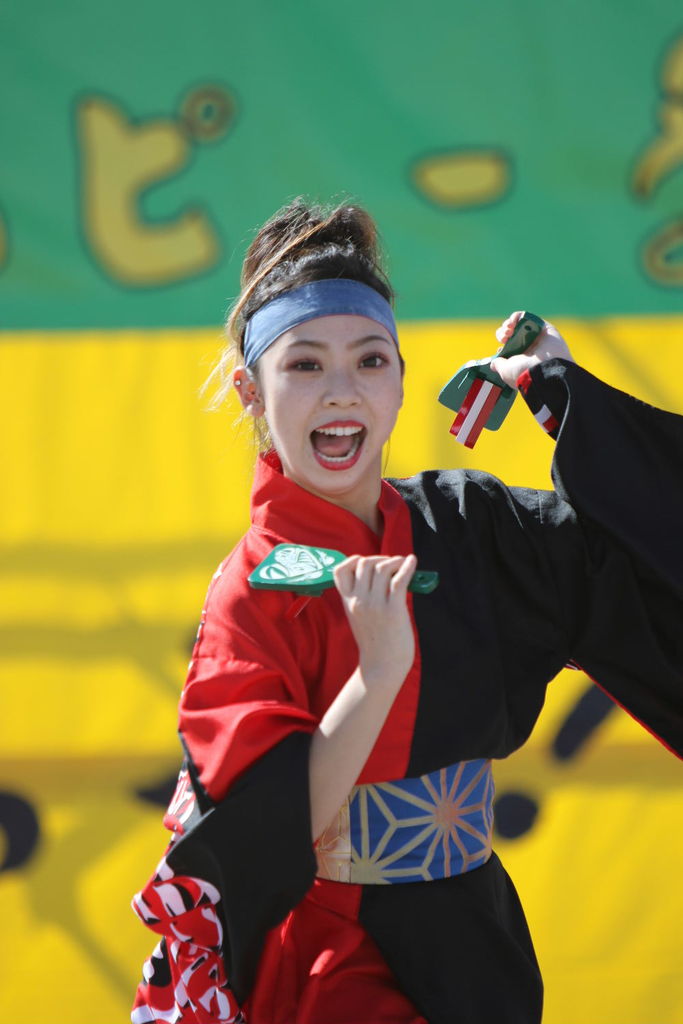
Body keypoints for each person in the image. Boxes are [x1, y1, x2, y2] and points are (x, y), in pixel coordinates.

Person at [131, 199, 683, 1024]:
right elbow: (259, 833)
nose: (341, 392)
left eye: (369, 360)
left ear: (398, 380)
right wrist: (377, 673)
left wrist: (574, 405)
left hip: (477, 947)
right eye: (304, 365)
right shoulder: (253, 590)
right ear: (251, 391)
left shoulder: (469, 528)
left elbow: (634, 565)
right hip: (335, 958)